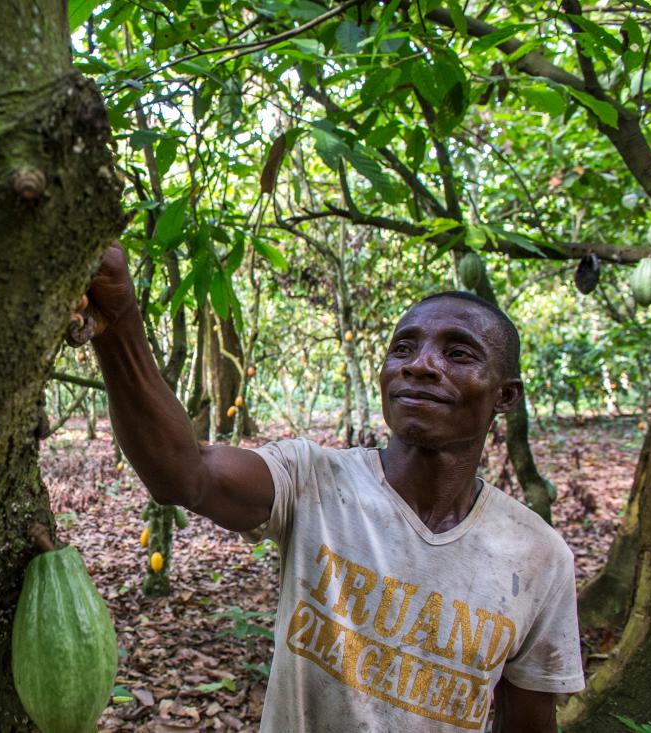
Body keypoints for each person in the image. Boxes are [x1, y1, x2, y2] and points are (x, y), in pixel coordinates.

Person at [82, 242, 585, 732]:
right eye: (403, 348)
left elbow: (528, 721)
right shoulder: (311, 480)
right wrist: (118, 323)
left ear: (506, 395)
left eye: (457, 353)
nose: (420, 364)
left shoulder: (538, 555)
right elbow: (184, 474)